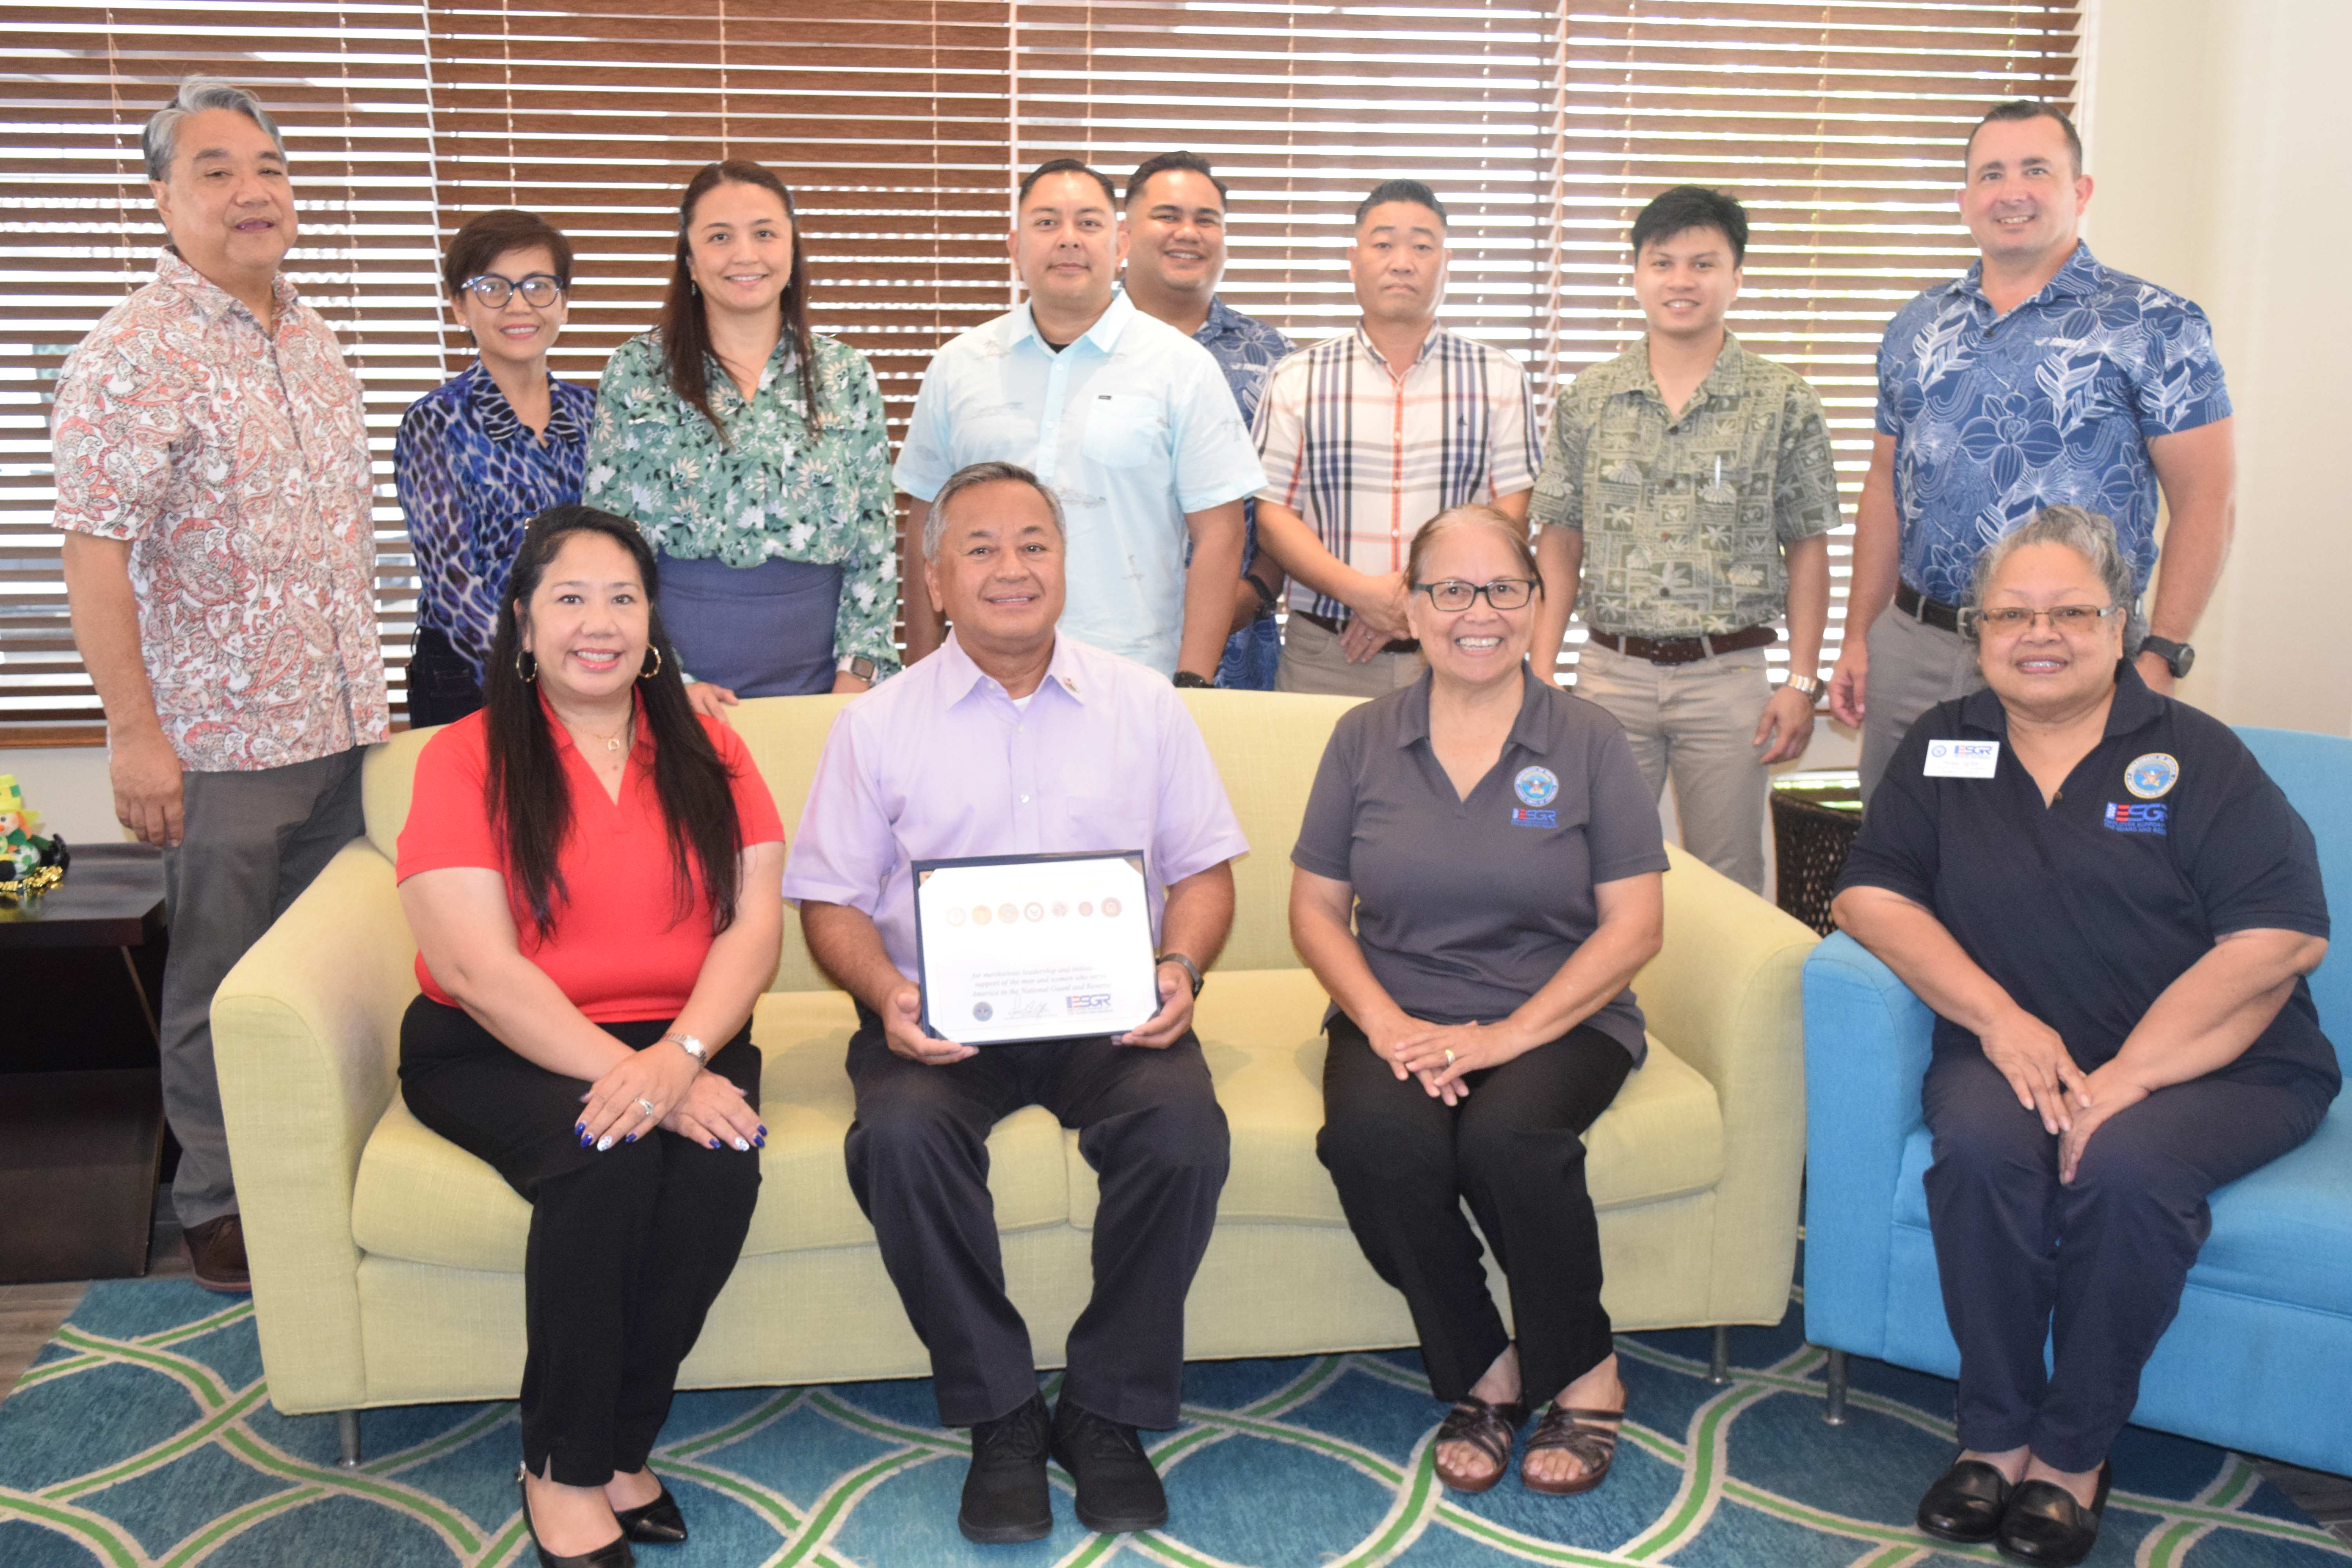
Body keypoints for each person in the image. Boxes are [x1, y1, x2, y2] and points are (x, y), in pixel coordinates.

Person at [1832, 506, 2335, 1567]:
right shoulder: (1947, 742)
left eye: (2070, 612)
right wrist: (1999, 1019)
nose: (2040, 635)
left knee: (2124, 1171)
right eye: (2013, 615)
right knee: (1974, 1150)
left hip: (2221, 1065)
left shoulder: (2194, 755)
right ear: (1978, 634)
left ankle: (2072, 1454)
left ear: (2120, 627)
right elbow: (1869, 895)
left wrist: (2127, 1080)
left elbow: (2283, 938)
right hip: (2020, 1050)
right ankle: (1996, 1434)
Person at [785, 461, 1247, 1543]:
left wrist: (1180, 969)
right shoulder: (876, 726)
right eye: (981, 548)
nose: (1012, 567)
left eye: (1034, 543)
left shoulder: (1144, 706)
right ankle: (1000, 1413)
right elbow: (833, 906)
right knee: (897, 1140)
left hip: (1111, 1010)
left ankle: (1105, 1411)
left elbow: (1209, 873)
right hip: (941, 1017)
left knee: (1184, 1130)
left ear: (1065, 565)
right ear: (937, 580)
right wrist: (889, 994)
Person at [396, 505, 784, 1568]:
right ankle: (561, 1466)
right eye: (569, 598)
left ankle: (620, 1442)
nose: (598, 622)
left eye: (623, 597)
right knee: (605, 1161)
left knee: (718, 1172)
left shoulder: (709, 743)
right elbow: (477, 971)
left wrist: (682, 1059)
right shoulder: (465, 757)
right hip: (494, 1043)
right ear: (523, 624)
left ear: (653, 622)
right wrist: (643, 1079)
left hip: (688, 1034)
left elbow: (756, 929)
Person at [51, 78, 387, 1294]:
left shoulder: (311, 329)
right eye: (215, 169)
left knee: (336, 977)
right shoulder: (131, 355)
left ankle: (328, 1174)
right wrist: (133, 737)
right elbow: (94, 554)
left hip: (344, 732)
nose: (253, 192)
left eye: (270, 167)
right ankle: (219, 1206)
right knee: (222, 987)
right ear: (161, 197)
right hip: (222, 748)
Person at [1290, 504, 1669, 1497]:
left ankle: (1589, 1369)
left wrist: (1505, 1036)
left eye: (1504, 588)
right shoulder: (1363, 736)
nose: (1478, 612)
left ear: (1538, 603)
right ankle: (1486, 1365)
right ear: (1411, 609)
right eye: (1449, 590)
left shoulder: (1587, 738)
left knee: (1509, 1141)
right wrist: (1385, 1025)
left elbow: (1634, 927)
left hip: (1559, 1011)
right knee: (1378, 1142)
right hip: (1401, 1009)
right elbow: (1318, 910)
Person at [1828, 100, 2235, 802]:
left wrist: (2163, 652)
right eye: (1991, 174)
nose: (2011, 191)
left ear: (2080, 191)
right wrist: (1860, 638)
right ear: (1965, 201)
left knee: (2056, 855)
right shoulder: (1916, 327)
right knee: (1902, 854)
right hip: (1918, 645)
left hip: (2068, 649)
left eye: (2036, 170)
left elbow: (2207, 501)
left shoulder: (2155, 324)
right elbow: (1884, 487)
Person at [1528, 186, 1839, 893]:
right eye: (1662, 262)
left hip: (1727, 680)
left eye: (1703, 264)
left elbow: (1809, 547)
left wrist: (1801, 680)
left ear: (1736, 276)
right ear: (1637, 274)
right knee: (1595, 871)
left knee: (1727, 877)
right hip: (1610, 673)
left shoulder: (1783, 399)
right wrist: (1543, 668)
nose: (1681, 281)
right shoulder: (1590, 398)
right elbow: (1560, 538)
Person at [893, 159, 1262, 684]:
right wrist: (923, 676)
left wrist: (1193, 684)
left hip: (1134, 674)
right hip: (977, 676)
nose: (1068, 240)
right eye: (1047, 224)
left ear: (1120, 245)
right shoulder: (959, 365)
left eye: (1089, 223)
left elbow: (1220, 537)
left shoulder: (1181, 367)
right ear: (1014, 247)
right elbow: (924, 531)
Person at [583, 161, 897, 711]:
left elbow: (874, 538)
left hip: (823, 688)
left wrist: (857, 676)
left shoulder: (846, 373)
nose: (745, 254)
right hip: (676, 688)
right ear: (691, 262)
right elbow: (609, 547)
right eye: (720, 237)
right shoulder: (636, 371)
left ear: (793, 251)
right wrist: (666, 681)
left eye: (765, 233)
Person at [1252, 179, 1542, 697]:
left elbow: (1511, 514)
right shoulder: (1297, 377)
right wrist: (1363, 595)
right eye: (1383, 244)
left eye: (1422, 247)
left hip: (1455, 650)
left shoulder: (1499, 378)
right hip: (1326, 655)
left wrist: (1411, 600)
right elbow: (1274, 519)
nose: (1402, 262)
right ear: (1354, 259)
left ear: (1445, 262)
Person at [397, 208, 595, 726]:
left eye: (538, 286)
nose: (518, 305)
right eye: (493, 287)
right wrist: (539, 672)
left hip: (585, 666)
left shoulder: (594, 414)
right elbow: (452, 586)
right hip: (469, 678)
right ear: (460, 307)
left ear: (564, 302)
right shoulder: (435, 422)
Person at [1120, 151, 1297, 689]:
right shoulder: (1082, 348)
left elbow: (1293, 500)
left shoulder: (1273, 356)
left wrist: (1256, 592)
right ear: (1124, 234)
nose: (1188, 233)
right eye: (1168, 216)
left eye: (1207, 220)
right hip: (1103, 636)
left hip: (1240, 644)